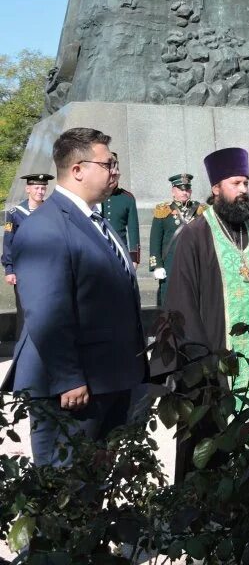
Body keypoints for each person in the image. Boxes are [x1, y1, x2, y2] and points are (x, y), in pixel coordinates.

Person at [0, 128, 144, 465]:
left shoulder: (95, 220)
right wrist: (69, 379)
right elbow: (47, 311)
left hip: (106, 379)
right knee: (64, 489)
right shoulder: (45, 226)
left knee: (92, 488)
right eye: (108, 164)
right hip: (72, 390)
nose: (116, 171)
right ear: (78, 169)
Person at [155, 147, 249, 483]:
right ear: (216, 188)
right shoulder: (195, 235)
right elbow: (181, 304)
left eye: (246, 182)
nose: (243, 189)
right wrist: (201, 364)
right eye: (236, 182)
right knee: (213, 443)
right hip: (216, 363)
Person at [3, 173, 53, 338]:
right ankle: (22, 349)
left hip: (47, 270)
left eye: (43, 187)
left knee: (47, 309)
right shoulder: (15, 213)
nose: (40, 191)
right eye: (37, 187)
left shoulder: (51, 211)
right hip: (23, 271)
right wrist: (9, 269)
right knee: (24, 311)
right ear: (28, 189)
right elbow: (8, 243)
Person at [149, 173, 206, 305]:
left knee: (193, 300)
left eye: (187, 189)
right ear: (173, 191)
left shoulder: (200, 210)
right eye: (181, 189)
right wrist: (157, 265)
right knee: (169, 300)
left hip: (194, 263)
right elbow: (155, 241)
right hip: (170, 264)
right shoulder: (163, 210)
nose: (184, 192)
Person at [103, 152, 140, 266]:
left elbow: (133, 231)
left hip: (120, 253)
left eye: (115, 174)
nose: (113, 177)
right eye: (110, 174)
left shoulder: (127, 198)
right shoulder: (95, 197)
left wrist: (134, 259)